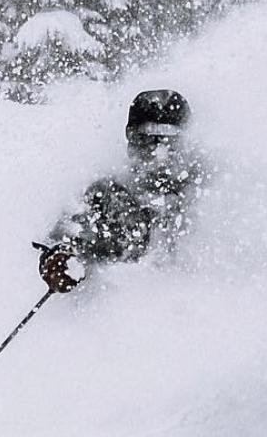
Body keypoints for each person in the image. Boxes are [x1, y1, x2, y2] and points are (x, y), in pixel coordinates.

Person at [36, 89, 206, 293]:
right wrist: (62, 258)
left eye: (169, 141)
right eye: (146, 139)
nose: (158, 151)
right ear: (131, 140)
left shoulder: (207, 188)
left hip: (201, 308)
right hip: (127, 311)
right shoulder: (107, 192)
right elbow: (68, 232)